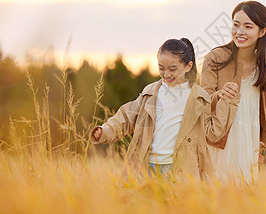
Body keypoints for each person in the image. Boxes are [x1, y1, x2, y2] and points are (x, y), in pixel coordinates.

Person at [91, 38, 235, 181]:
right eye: (161, 68)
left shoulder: (200, 97)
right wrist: (106, 131)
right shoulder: (150, 93)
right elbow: (126, 117)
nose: (166, 74)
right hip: (146, 166)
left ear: (188, 66)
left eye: (172, 69)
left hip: (181, 169)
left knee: (176, 204)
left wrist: (225, 102)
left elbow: (212, 133)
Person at [201, 1, 266, 183]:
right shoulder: (215, 58)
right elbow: (201, 102)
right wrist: (219, 95)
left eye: (248, 26)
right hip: (218, 144)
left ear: (262, 31)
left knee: (242, 203)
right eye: (236, 24)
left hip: (248, 147)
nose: (239, 32)